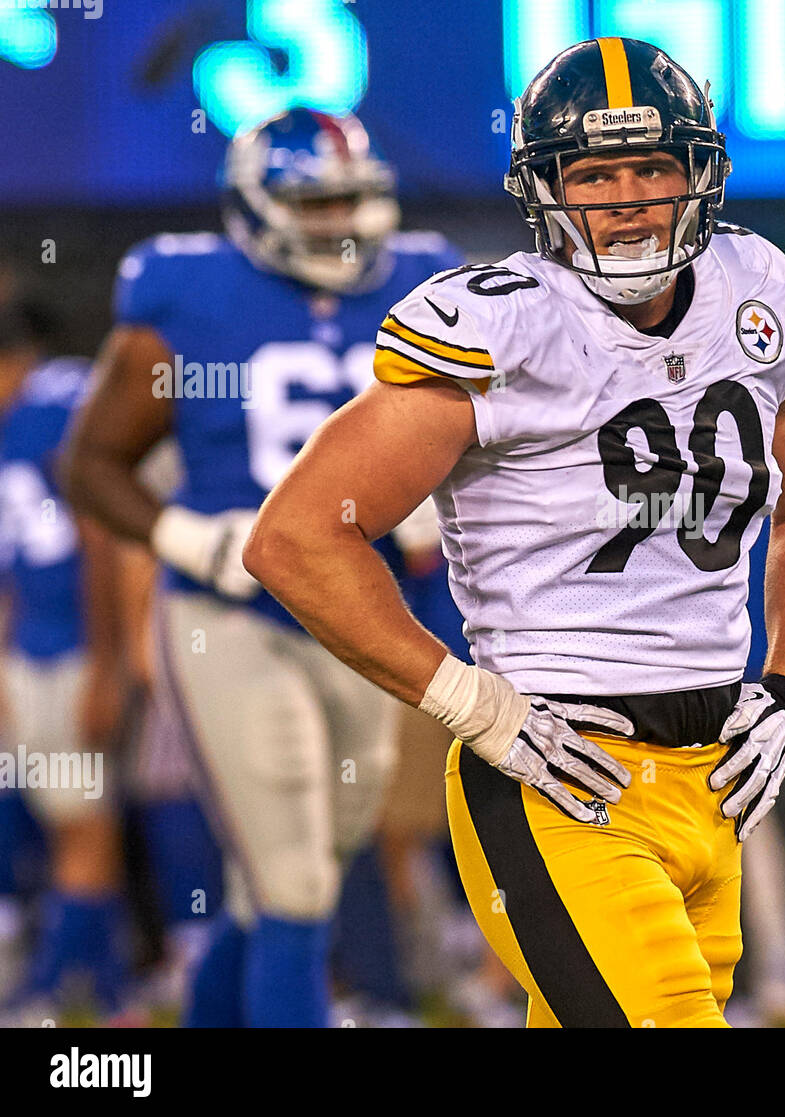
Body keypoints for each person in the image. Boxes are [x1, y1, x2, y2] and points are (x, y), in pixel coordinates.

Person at [243, 37, 785, 1028]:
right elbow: (298, 536)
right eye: (593, 173)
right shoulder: (504, 325)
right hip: (561, 772)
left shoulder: (759, 293)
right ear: (545, 189)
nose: (625, 197)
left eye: (651, 167)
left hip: (716, 777)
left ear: (698, 173)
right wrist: (468, 702)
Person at [60, 109, 463, 1027]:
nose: (340, 224)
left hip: (362, 610)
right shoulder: (187, 294)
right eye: (313, 203)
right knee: (293, 882)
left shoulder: (427, 284)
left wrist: (437, 501)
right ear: (253, 208)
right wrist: (191, 540)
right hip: (228, 613)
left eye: (352, 201)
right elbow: (91, 464)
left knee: (311, 863)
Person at [0, 299, 134, 1024]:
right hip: (37, 650)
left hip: (78, 648)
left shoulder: (56, 401)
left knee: (84, 826)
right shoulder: (19, 415)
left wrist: (106, 663)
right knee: (71, 823)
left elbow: (100, 539)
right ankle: (110, 990)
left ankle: (51, 991)